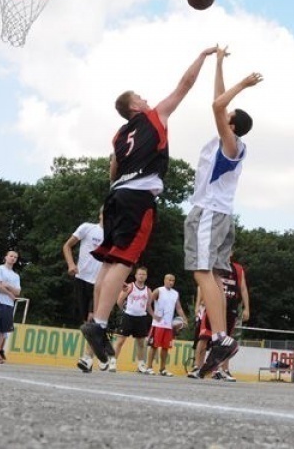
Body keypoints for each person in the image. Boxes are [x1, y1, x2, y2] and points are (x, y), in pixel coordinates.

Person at [81, 47, 220, 365]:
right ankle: (98, 325)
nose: (145, 99)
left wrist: (120, 184)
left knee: (107, 262)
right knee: (123, 262)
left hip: (115, 196)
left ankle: (96, 321)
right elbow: (185, 85)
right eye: (140, 97)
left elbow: (114, 169)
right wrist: (202, 56)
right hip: (138, 197)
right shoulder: (155, 116)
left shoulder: (119, 135)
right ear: (134, 106)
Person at [184, 48, 262, 379]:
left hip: (210, 213)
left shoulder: (231, 145)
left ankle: (220, 337)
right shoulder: (228, 141)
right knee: (214, 276)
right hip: (221, 215)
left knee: (201, 272)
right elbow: (218, 99)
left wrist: (243, 84)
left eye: (230, 113)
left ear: (231, 124)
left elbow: (217, 105)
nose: (224, 110)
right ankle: (221, 337)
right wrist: (218, 63)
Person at [64, 209, 107, 373]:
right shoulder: (87, 228)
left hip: (100, 283)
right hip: (81, 280)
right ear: (100, 215)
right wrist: (71, 264)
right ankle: (101, 350)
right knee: (86, 323)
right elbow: (67, 246)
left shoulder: (114, 236)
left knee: (92, 320)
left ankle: (87, 358)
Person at [214, 258, 250, 381]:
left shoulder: (238, 268)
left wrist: (246, 308)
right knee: (217, 336)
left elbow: (243, 288)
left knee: (228, 337)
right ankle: (212, 368)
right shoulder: (215, 266)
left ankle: (224, 369)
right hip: (217, 304)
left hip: (232, 305)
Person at [144, 273, 186, 376]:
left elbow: (178, 308)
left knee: (165, 347)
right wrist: (154, 315)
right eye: (169, 280)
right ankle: (149, 367)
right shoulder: (158, 291)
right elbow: (148, 303)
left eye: (173, 280)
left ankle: (162, 369)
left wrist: (184, 319)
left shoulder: (175, 293)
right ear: (164, 280)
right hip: (158, 324)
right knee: (154, 346)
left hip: (168, 325)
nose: (171, 282)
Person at [114, 266, 152, 373]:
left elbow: (148, 305)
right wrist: (124, 310)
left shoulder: (148, 290)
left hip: (141, 318)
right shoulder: (130, 286)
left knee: (141, 343)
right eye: (139, 274)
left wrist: (154, 316)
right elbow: (119, 300)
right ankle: (112, 361)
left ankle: (141, 365)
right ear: (136, 275)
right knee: (120, 341)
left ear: (146, 276)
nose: (141, 276)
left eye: (143, 274)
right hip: (128, 316)